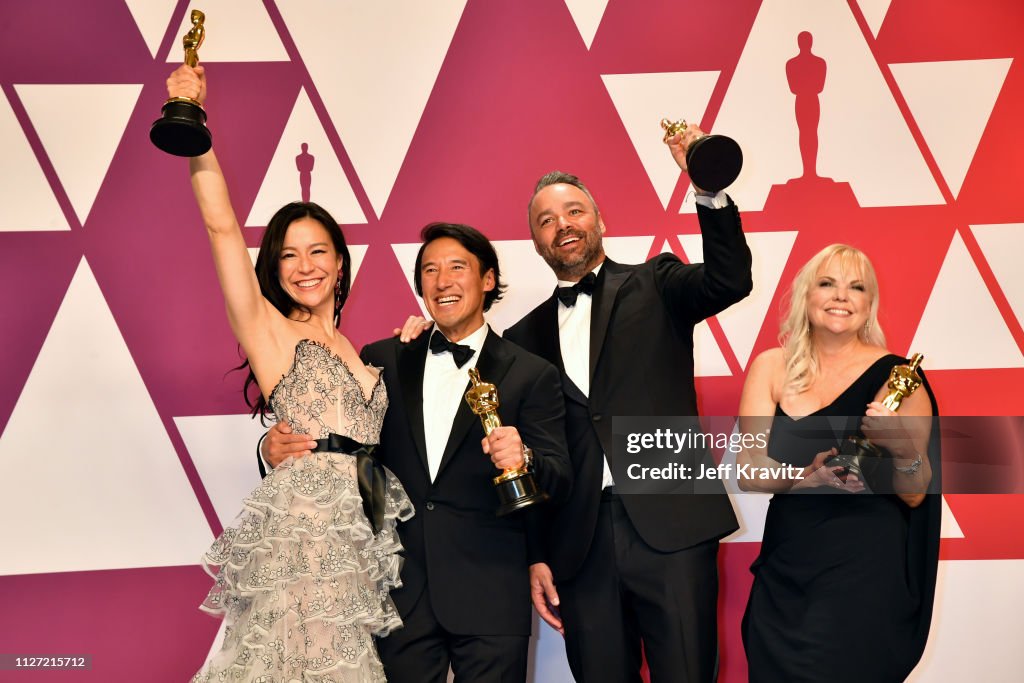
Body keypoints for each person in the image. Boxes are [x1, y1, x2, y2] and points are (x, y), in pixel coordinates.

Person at [169, 64, 413, 683]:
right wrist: (195, 123)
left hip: (359, 529)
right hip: (303, 530)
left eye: (317, 252)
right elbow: (221, 227)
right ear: (273, 268)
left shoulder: (360, 350)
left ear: (340, 262)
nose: (304, 267)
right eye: (287, 255)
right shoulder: (270, 332)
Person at [265, 223, 573, 682]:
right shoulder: (381, 358)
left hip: (490, 591)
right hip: (397, 592)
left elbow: (560, 477)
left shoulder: (531, 373)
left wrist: (523, 456)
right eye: (430, 270)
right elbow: (348, 449)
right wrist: (271, 447)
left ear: (487, 279)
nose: (442, 281)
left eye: (457, 267)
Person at [500, 127, 753, 682]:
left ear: (600, 221)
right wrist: (537, 552)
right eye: (547, 220)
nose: (563, 224)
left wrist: (707, 191)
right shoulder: (518, 340)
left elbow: (729, 280)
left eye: (573, 211)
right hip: (580, 543)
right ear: (537, 243)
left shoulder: (656, 282)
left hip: (672, 526)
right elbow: (529, 456)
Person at [737, 244, 940, 682]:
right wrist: (802, 479)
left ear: (870, 305)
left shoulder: (900, 378)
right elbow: (749, 469)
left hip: (866, 571)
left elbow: (915, 490)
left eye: (856, 287)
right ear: (805, 296)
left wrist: (901, 447)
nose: (841, 296)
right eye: (827, 283)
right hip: (788, 569)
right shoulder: (771, 368)